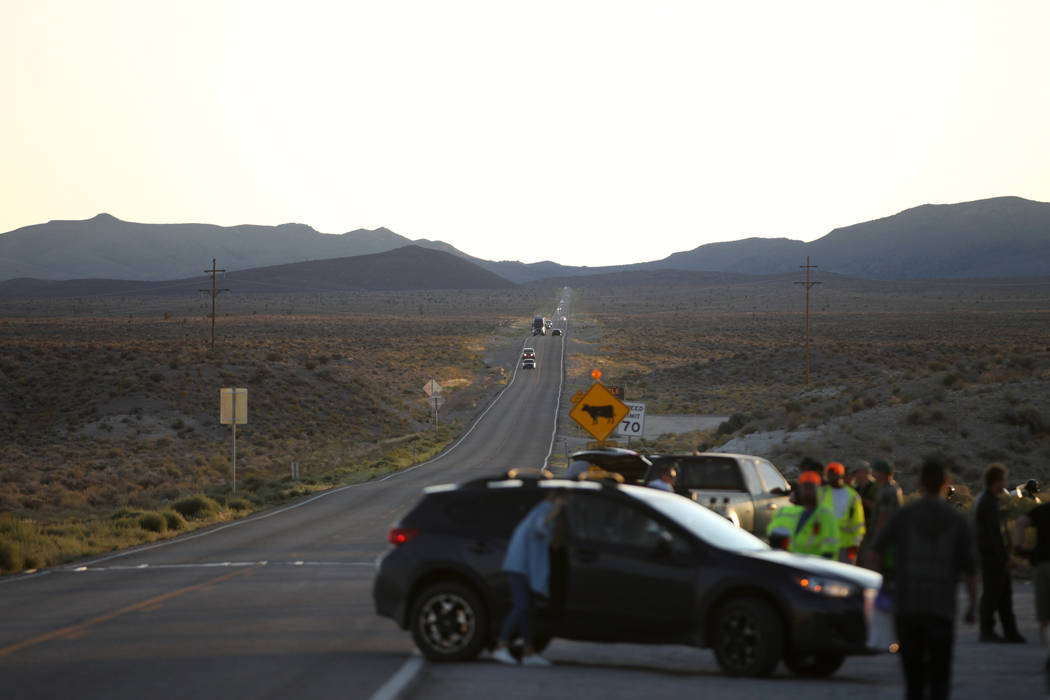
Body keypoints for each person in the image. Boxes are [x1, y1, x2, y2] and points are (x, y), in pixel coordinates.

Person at [869, 456, 977, 700]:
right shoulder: (957, 521)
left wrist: (885, 585)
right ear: (946, 483)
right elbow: (971, 570)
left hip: (908, 607)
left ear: (919, 483)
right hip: (941, 610)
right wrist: (973, 605)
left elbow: (875, 551)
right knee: (940, 678)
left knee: (913, 680)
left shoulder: (905, 515)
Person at [491, 492, 566, 666]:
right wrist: (556, 510)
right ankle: (501, 646)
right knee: (522, 607)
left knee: (527, 610)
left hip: (523, 568)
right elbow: (539, 527)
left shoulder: (539, 509)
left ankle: (528, 651)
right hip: (520, 567)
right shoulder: (544, 511)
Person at [974, 463, 1025, 643]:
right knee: (992, 595)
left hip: (993, 556)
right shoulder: (987, 503)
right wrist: (1005, 558)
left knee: (1003, 595)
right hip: (992, 558)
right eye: (1003, 479)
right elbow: (994, 535)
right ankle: (987, 631)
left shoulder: (988, 501)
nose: (1005, 482)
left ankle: (1010, 632)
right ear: (996, 481)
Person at [1013, 499, 1050, 692]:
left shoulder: (1042, 510)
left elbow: (1020, 522)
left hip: (1042, 564)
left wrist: (1019, 548)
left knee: (1044, 616)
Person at [785, 468, 839, 558]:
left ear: (818, 490)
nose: (807, 492)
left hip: (816, 567)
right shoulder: (798, 514)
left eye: (810, 488)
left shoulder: (826, 515)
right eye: (804, 488)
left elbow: (830, 549)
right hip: (798, 564)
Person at [820, 462, 866, 563]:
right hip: (825, 546)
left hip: (845, 547)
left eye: (833, 474)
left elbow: (858, 522)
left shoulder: (852, 496)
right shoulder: (821, 493)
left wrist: (854, 547)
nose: (830, 477)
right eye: (829, 474)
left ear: (840, 475)